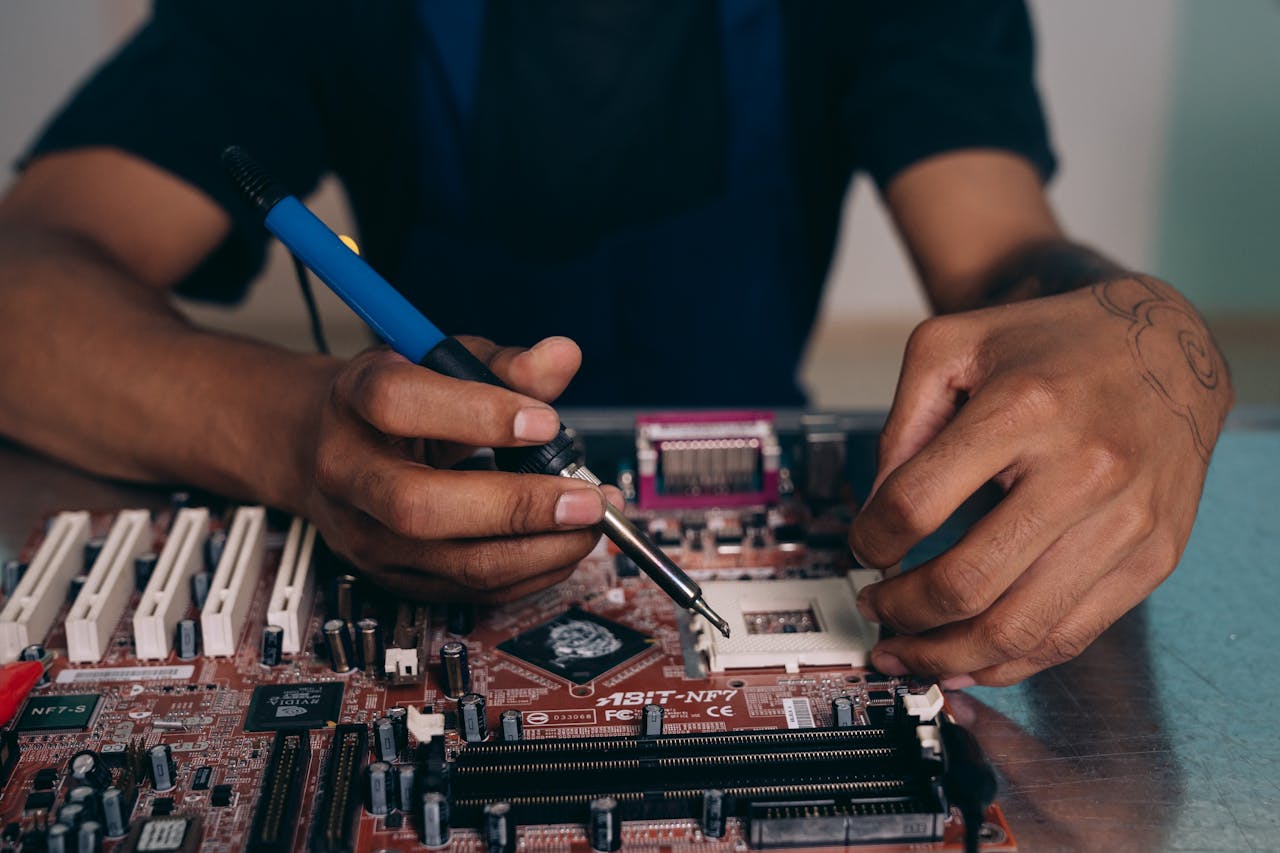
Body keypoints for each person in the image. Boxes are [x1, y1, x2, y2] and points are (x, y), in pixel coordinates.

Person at [0, 1, 1232, 688]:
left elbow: (1007, 258)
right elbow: (24, 279)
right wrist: (292, 430)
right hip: (419, 509)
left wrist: (1136, 331)